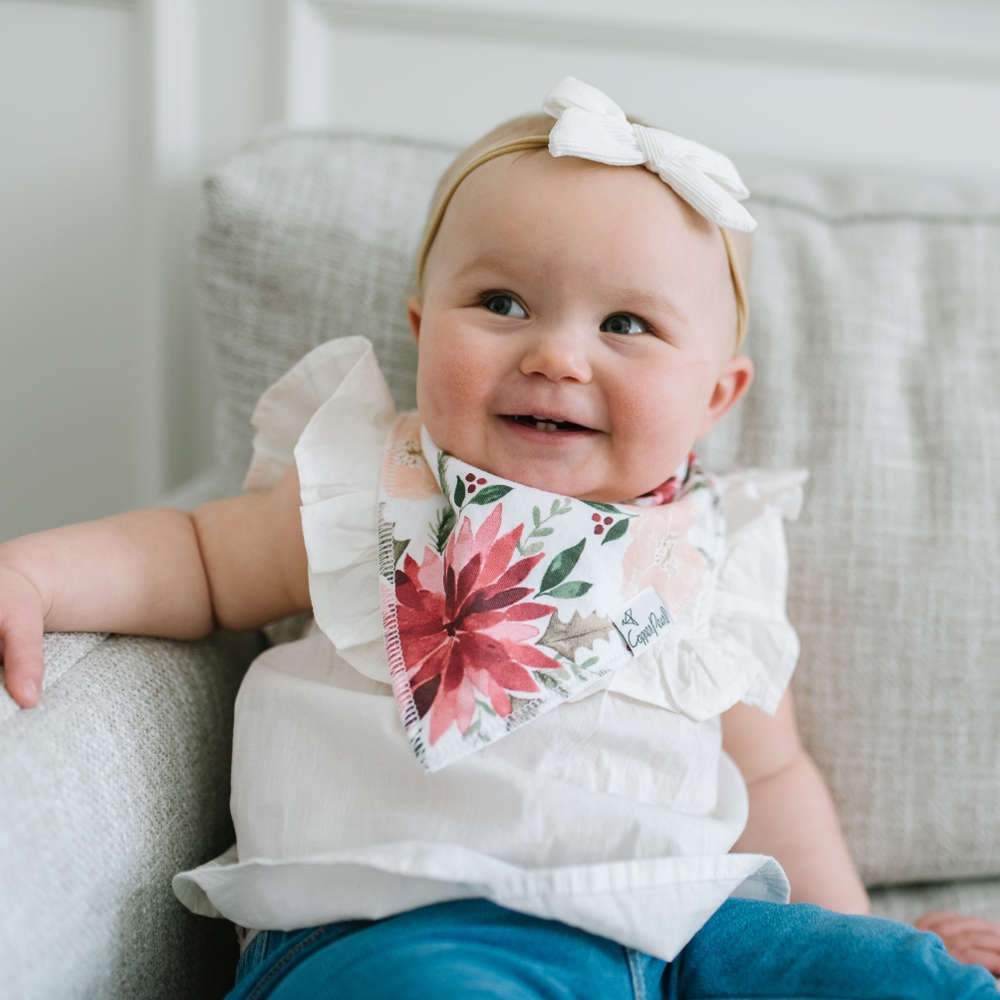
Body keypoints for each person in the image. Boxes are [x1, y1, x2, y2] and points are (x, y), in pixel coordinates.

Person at [1, 76, 998, 999]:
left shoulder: (717, 549)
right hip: (400, 921)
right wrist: (38, 575)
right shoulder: (367, 487)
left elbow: (774, 776)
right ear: (422, 326)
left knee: (901, 978)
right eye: (502, 304)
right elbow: (194, 559)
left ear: (714, 395)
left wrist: (851, 929)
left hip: (678, 928)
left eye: (626, 325)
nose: (556, 354)